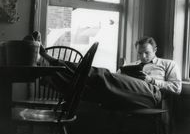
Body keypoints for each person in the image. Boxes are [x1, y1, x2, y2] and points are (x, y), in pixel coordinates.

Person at [35, 33, 181, 111]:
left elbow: (176, 88)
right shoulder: (133, 65)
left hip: (151, 95)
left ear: (155, 50)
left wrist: (151, 80)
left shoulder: (168, 64)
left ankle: (50, 61)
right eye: (140, 53)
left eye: (147, 53)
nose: (143, 57)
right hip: (126, 92)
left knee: (103, 75)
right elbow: (116, 79)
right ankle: (47, 72)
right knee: (85, 88)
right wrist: (123, 73)